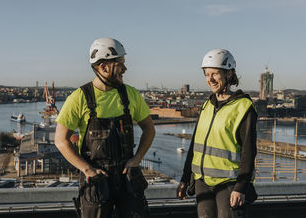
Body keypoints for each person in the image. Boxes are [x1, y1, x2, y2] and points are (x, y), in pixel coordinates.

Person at [55, 37, 155, 218]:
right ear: (103, 67)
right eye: (120, 64)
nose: (125, 69)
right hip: (96, 183)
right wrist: (87, 170)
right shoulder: (79, 98)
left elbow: (149, 129)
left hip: (127, 180)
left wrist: (137, 159)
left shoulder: (130, 94)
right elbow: (60, 140)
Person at [176, 49, 257, 218]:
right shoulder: (207, 105)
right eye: (206, 74)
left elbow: (248, 152)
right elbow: (194, 146)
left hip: (229, 184)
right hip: (201, 182)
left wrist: (241, 187)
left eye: (215, 74)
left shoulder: (243, 107)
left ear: (228, 73)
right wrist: (184, 178)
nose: (210, 79)